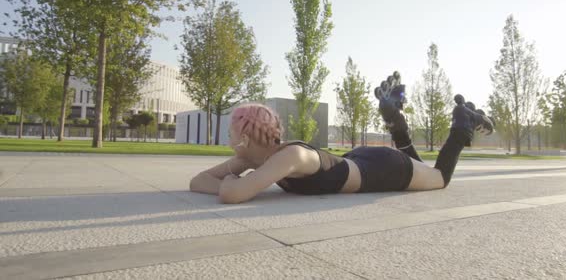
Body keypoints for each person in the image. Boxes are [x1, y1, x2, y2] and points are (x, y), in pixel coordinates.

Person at [189, 71, 494, 204]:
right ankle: (397, 124)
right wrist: (234, 178)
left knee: (439, 177)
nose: (227, 136)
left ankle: (461, 125)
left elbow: (233, 194)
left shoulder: (290, 156)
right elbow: (198, 182)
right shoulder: (253, 157)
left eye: (230, 131)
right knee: (423, 168)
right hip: (363, 161)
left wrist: (232, 183)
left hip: (382, 169)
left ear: (245, 136)